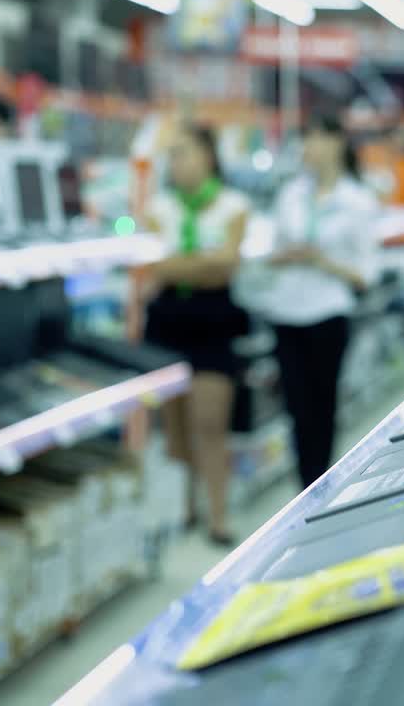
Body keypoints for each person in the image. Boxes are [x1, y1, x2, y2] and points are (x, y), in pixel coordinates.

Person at [143, 125, 251, 547]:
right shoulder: (159, 207)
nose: (177, 162)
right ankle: (183, 508)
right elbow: (156, 267)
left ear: (208, 156)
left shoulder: (232, 205)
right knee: (173, 426)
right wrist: (204, 263)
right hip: (167, 321)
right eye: (172, 155)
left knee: (210, 423)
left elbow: (227, 265)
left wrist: (183, 264)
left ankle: (218, 516)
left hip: (213, 322)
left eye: (184, 152)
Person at [259, 115, 381, 489]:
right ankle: (303, 487)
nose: (308, 148)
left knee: (323, 405)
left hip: (328, 311)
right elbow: (270, 251)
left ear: (336, 144)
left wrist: (321, 261)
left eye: (314, 138)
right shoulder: (290, 195)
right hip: (287, 310)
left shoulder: (358, 202)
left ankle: (320, 484)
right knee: (296, 407)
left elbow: (366, 273)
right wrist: (288, 256)